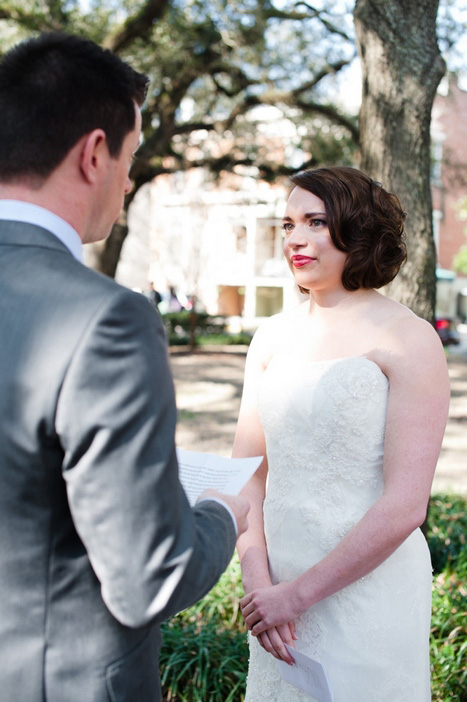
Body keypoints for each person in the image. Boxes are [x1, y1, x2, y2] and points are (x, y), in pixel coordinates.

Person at [0, 32, 249, 702]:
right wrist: (222, 512)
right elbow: (149, 578)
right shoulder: (106, 319)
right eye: (132, 158)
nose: (130, 180)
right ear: (93, 153)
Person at [233, 166, 450, 702]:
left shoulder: (410, 339)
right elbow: (247, 478)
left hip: (367, 589)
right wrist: (260, 585)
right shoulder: (270, 338)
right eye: (287, 225)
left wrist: (299, 595)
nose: (296, 240)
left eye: (316, 222)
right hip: (275, 590)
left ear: (359, 229)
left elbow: (405, 505)